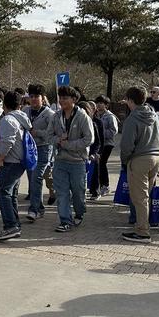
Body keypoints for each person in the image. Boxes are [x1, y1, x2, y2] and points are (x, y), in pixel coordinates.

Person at [120, 87, 159, 243]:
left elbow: (126, 145)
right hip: (157, 156)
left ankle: (142, 232)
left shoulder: (132, 118)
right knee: (146, 196)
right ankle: (144, 226)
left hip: (140, 159)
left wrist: (125, 161)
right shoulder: (155, 115)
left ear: (131, 100)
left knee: (139, 198)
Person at [51, 86, 94, 233]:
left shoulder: (83, 117)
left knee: (78, 192)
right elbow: (48, 136)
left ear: (74, 100)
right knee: (62, 192)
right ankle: (65, 220)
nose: (62, 101)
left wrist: (69, 145)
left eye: (65, 98)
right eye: (60, 98)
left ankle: (80, 212)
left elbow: (89, 139)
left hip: (78, 161)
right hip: (60, 161)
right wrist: (58, 140)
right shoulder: (56, 116)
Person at [0, 91, 32, 241]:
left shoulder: (8, 120)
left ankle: (10, 226)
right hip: (19, 162)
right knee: (11, 195)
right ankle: (14, 224)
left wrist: (0, 157)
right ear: (20, 104)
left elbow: (7, 141)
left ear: (4, 104)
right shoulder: (22, 118)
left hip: (11, 162)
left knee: (2, 193)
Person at [24, 84, 56, 221]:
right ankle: (40, 208)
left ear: (43, 98)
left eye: (37, 96)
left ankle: (34, 209)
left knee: (37, 177)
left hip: (44, 148)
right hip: (30, 149)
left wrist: (36, 132)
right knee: (32, 179)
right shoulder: (25, 111)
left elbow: (52, 134)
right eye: (31, 97)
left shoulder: (49, 114)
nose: (34, 99)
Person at [94, 96, 118, 196]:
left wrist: (101, 133)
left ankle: (105, 185)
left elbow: (114, 131)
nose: (99, 105)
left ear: (106, 105)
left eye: (101, 103)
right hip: (98, 144)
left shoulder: (110, 116)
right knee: (98, 164)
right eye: (97, 103)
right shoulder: (95, 115)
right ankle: (99, 185)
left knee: (102, 163)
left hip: (108, 143)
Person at [82, 100, 104, 202]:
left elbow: (99, 140)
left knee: (94, 173)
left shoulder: (96, 123)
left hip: (92, 153)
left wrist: (96, 153)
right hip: (79, 154)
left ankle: (95, 191)